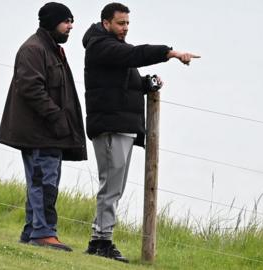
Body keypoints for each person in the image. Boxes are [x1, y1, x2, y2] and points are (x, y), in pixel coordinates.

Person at [82, 2, 200, 262]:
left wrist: (148, 83)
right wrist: (170, 53)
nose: (125, 28)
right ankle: (100, 241)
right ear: (106, 23)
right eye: (120, 23)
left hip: (122, 127)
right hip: (110, 127)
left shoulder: (114, 49)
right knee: (111, 187)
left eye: (127, 24)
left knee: (115, 187)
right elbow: (135, 54)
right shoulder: (101, 47)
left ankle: (101, 239)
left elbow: (127, 80)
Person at [0, 2, 87, 252]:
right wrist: (57, 118)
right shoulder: (34, 49)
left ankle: (32, 230)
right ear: (51, 22)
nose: (70, 27)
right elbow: (31, 88)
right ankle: (44, 233)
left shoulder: (50, 48)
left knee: (42, 181)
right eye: (66, 21)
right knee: (44, 183)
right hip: (40, 133)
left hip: (48, 132)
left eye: (71, 22)